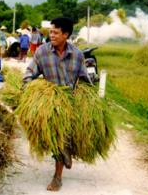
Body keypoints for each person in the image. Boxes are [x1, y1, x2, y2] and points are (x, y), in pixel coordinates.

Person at [23, 17, 90, 191]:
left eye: (55, 32)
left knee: (63, 136)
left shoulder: (77, 55)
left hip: (70, 102)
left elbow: (84, 81)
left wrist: (86, 99)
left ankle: (57, 176)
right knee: (56, 136)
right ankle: (63, 154)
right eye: (50, 31)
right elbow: (30, 72)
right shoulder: (42, 52)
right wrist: (28, 87)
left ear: (66, 34)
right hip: (50, 103)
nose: (51, 35)